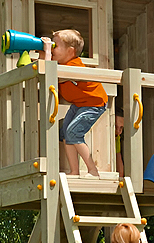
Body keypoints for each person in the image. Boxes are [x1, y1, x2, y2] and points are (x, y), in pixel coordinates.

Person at [41, 29, 107, 177]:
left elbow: (49, 75)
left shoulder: (73, 66)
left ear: (70, 52)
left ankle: (93, 170)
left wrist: (46, 53)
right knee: (66, 133)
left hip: (94, 103)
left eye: (55, 46)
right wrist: (43, 52)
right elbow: (45, 68)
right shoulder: (61, 65)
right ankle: (74, 171)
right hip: (79, 104)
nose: (51, 49)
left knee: (74, 133)